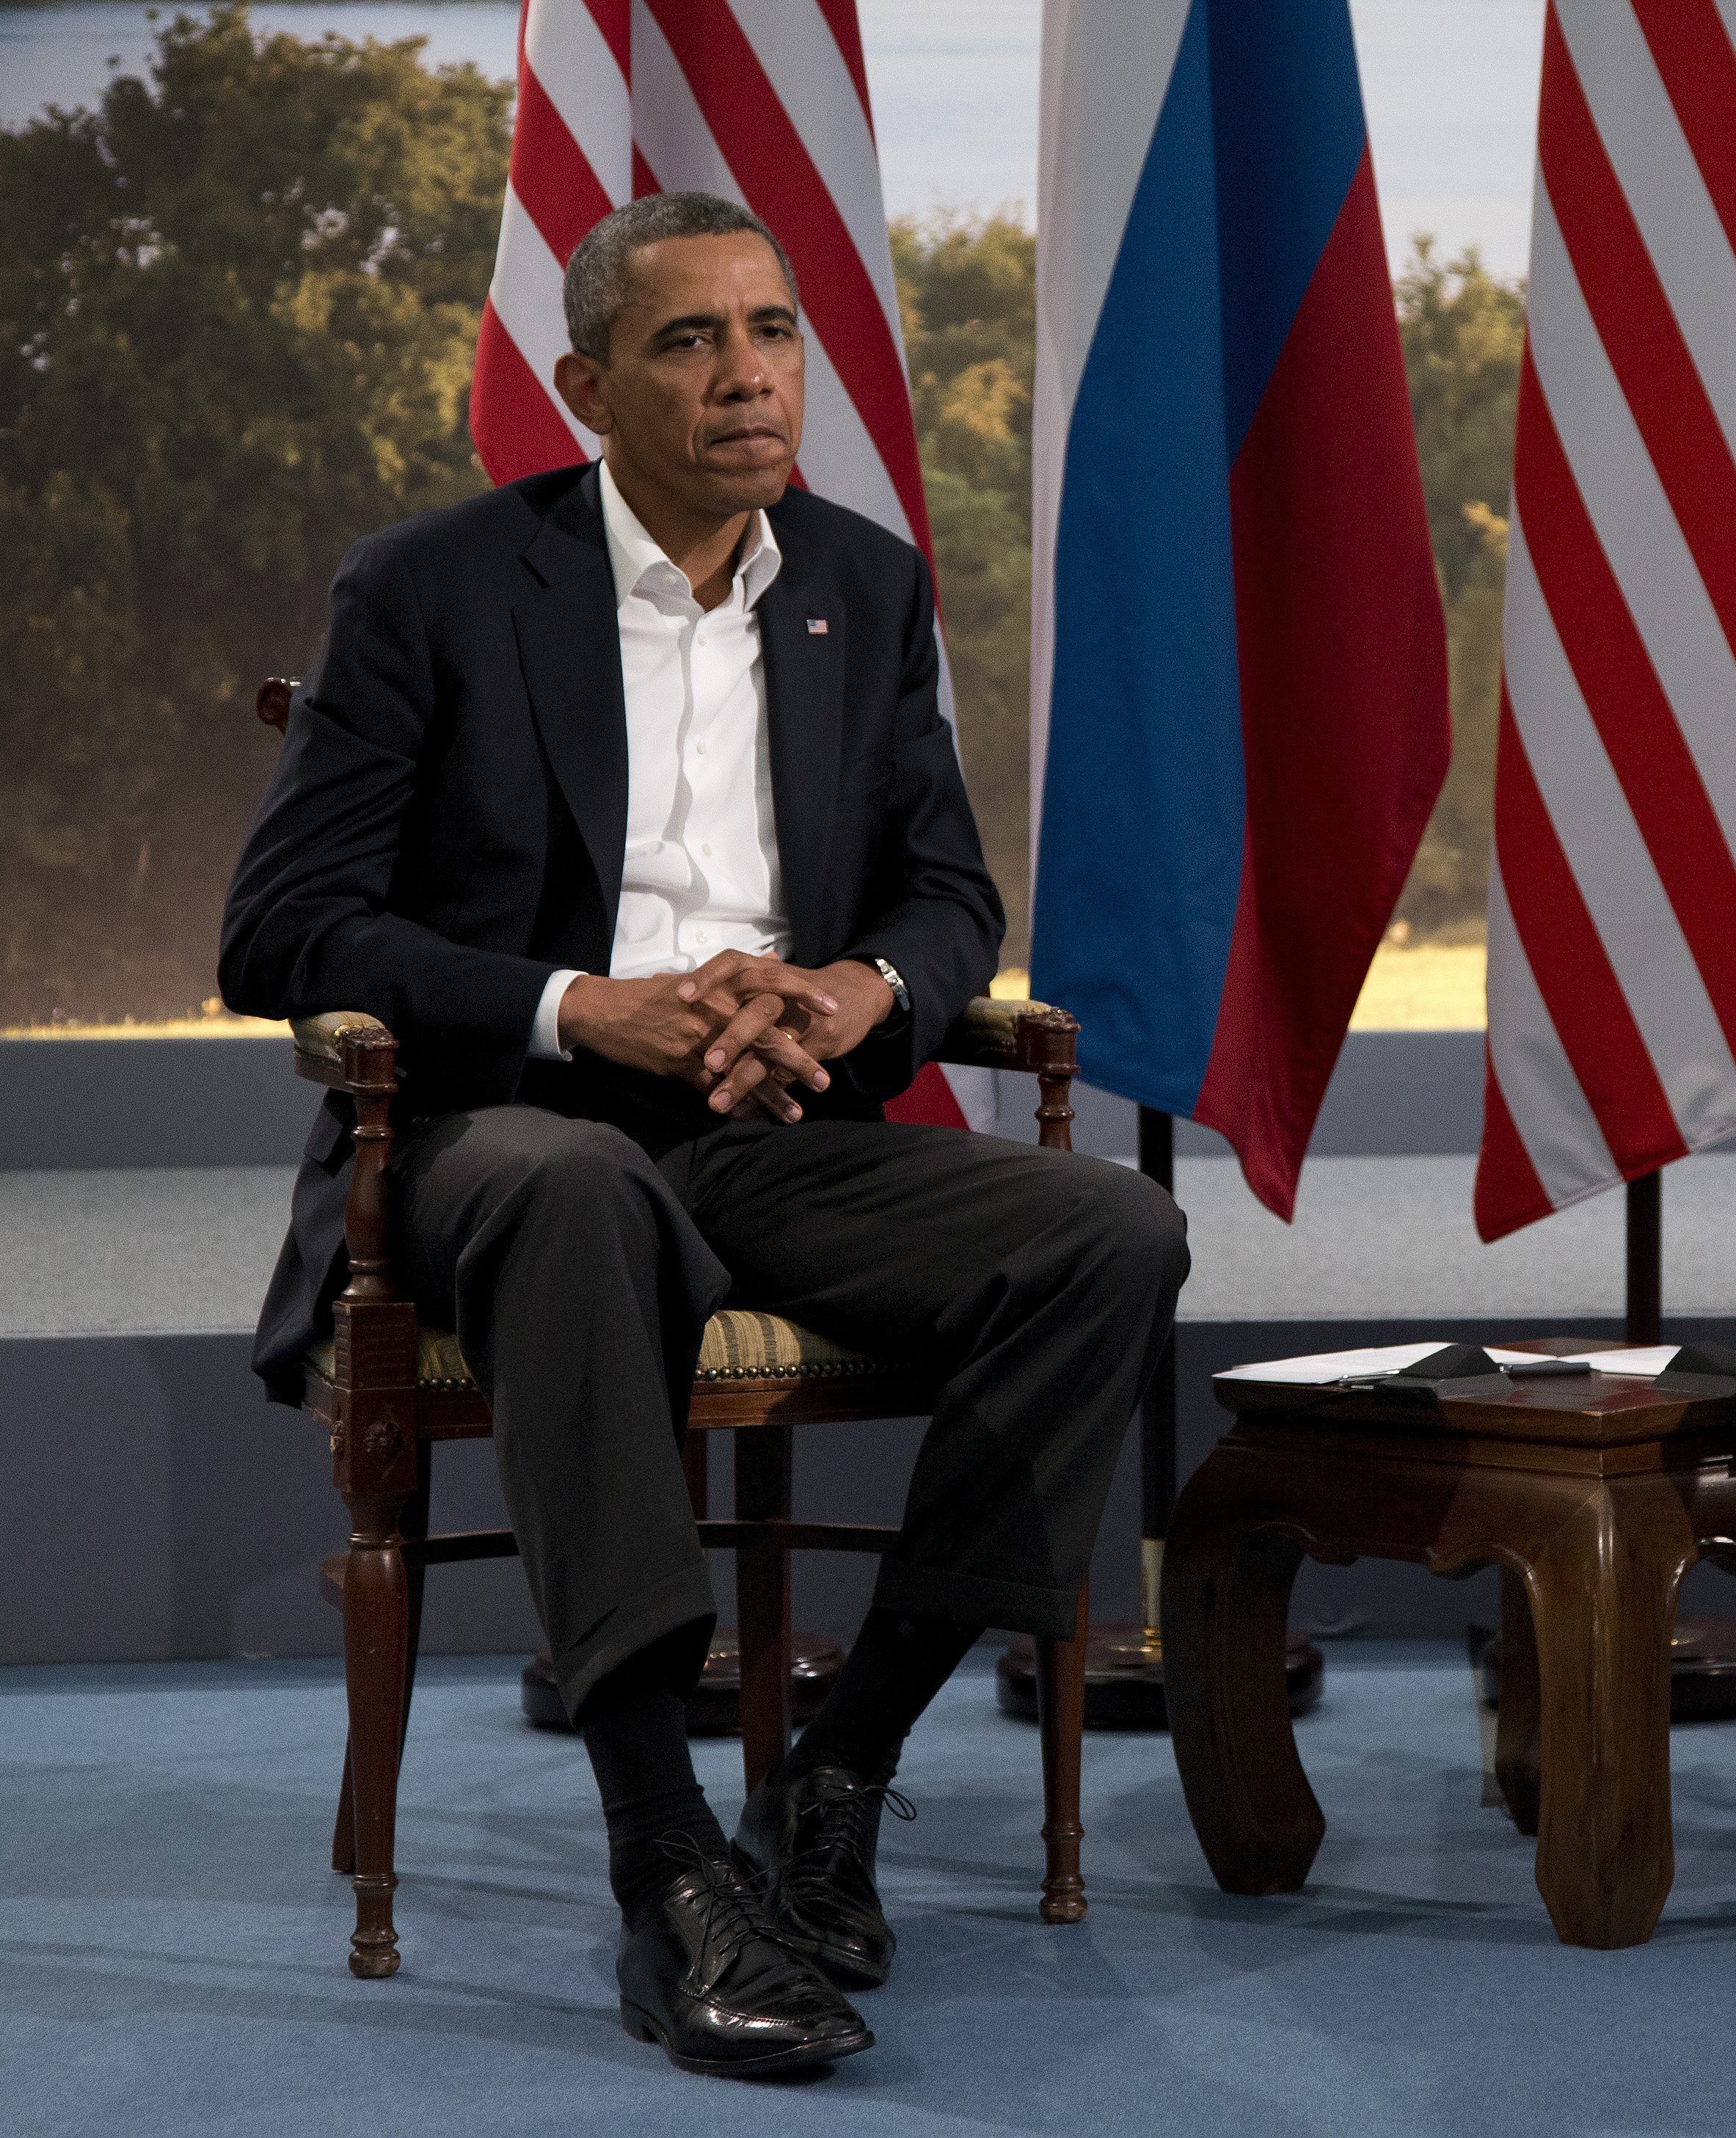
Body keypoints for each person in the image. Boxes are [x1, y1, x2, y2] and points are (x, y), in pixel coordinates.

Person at [221, 192, 1186, 2079]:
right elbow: (280, 932)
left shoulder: (862, 578)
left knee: (1106, 1234)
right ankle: (667, 1856)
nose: (747, 374)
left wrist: (857, 995)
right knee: (579, 1191)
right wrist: (586, 1002)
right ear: (585, 382)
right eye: (688, 340)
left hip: (775, 1129)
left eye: (772, 330)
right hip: (514, 1126)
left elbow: (945, 895)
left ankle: (840, 1768)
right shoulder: (428, 588)